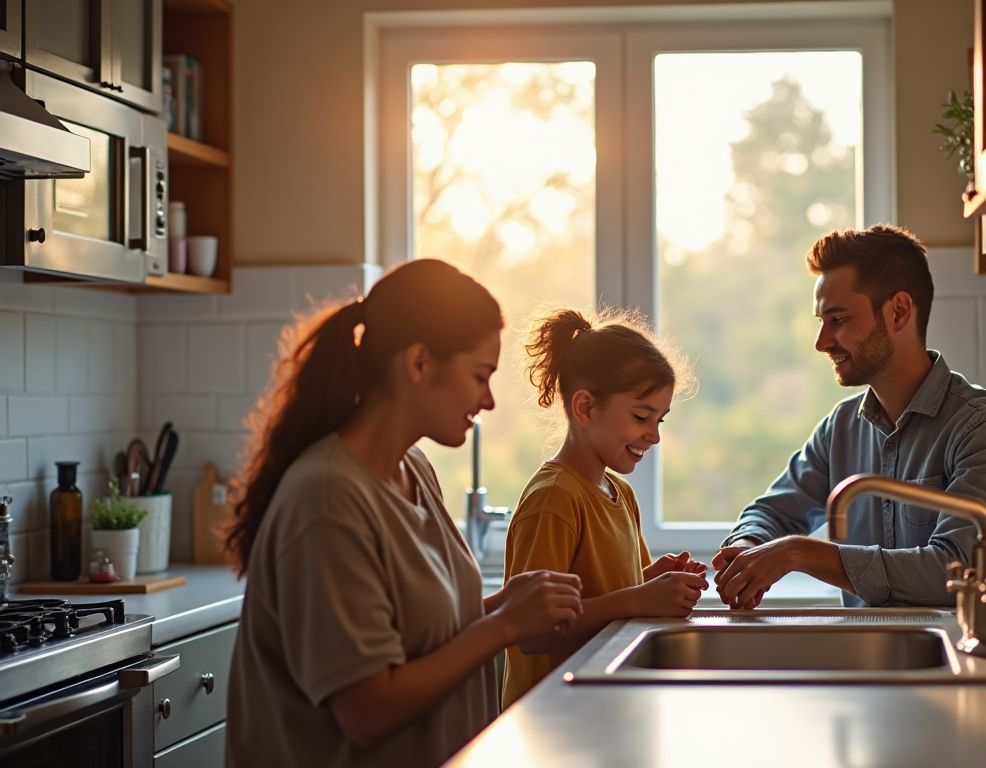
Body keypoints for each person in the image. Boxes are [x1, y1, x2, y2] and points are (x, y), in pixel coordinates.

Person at [224, 260, 585, 768]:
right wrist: (503, 626)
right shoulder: (327, 498)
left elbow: (421, 642)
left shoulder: (413, 467)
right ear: (418, 363)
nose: (488, 400)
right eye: (480, 375)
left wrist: (506, 605)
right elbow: (368, 709)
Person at [713, 224, 986, 609]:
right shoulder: (840, 428)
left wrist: (798, 553)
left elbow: (959, 570)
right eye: (821, 321)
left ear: (898, 312)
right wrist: (747, 547)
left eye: (839, 319)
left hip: (961, 655)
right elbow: (771, 512)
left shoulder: (984, 428)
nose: (822, 342)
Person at [501, 308, 709, 708]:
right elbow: (531, 631)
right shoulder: (554, 498)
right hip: (551, 715)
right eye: (641, 416)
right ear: (585, 408)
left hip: (600, 704)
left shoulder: (620, 493)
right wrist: (640, 598)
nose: (653, 435)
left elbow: (605, 595)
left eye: (660, 420)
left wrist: (652, 580)